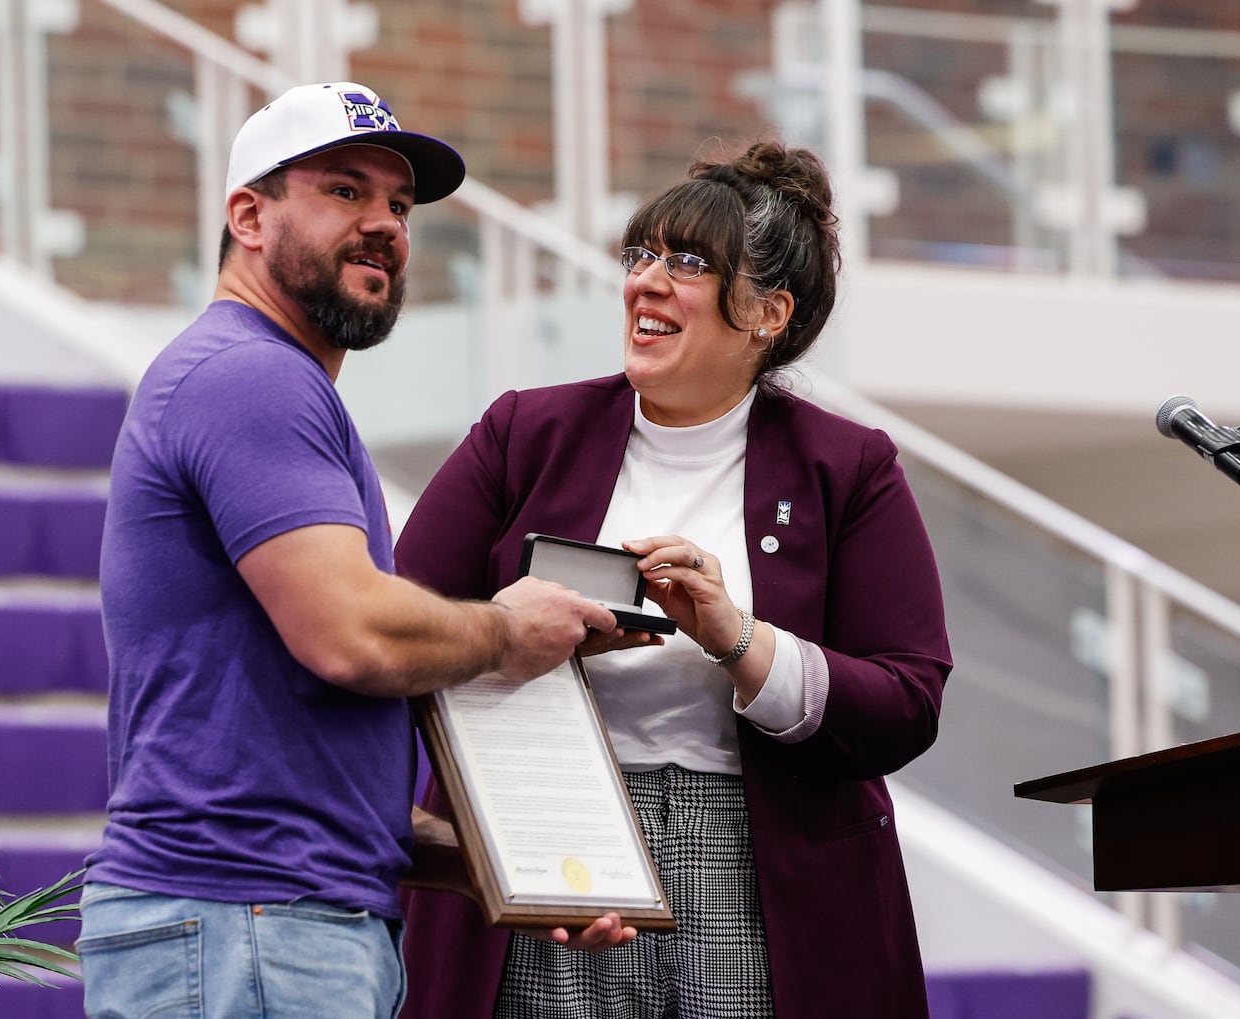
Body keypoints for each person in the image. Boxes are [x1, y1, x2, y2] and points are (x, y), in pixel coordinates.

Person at [77, 81, 635, 1019]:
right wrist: (508, 629)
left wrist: (517, 869)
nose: (384, 224)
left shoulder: (259, 381)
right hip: (246, 928)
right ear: (248, 216)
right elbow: (349, 635)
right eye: (345, 190)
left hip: (257, 923)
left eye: (401, 206)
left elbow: (293, 779)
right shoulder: (251, 377)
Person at [395, 138, 953, 1018]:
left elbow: (908, 699)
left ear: (770, 312)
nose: (646, 282)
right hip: (543, 842)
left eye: (688, 262)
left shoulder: (849, 466)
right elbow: (397, 623)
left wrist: (736, 637)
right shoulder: (522, 432)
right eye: (640, 254)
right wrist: (507, 627)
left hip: (761, 865)